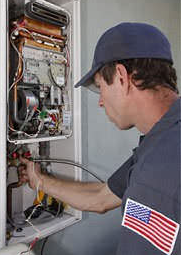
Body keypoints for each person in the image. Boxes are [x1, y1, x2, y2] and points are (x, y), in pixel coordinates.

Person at [20, 23, 180, 255]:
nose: (101, 102)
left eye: (100, 87)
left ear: (122, 77)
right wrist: (39, 181)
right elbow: (101, 198)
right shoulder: (156, 142)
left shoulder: (161, 169)